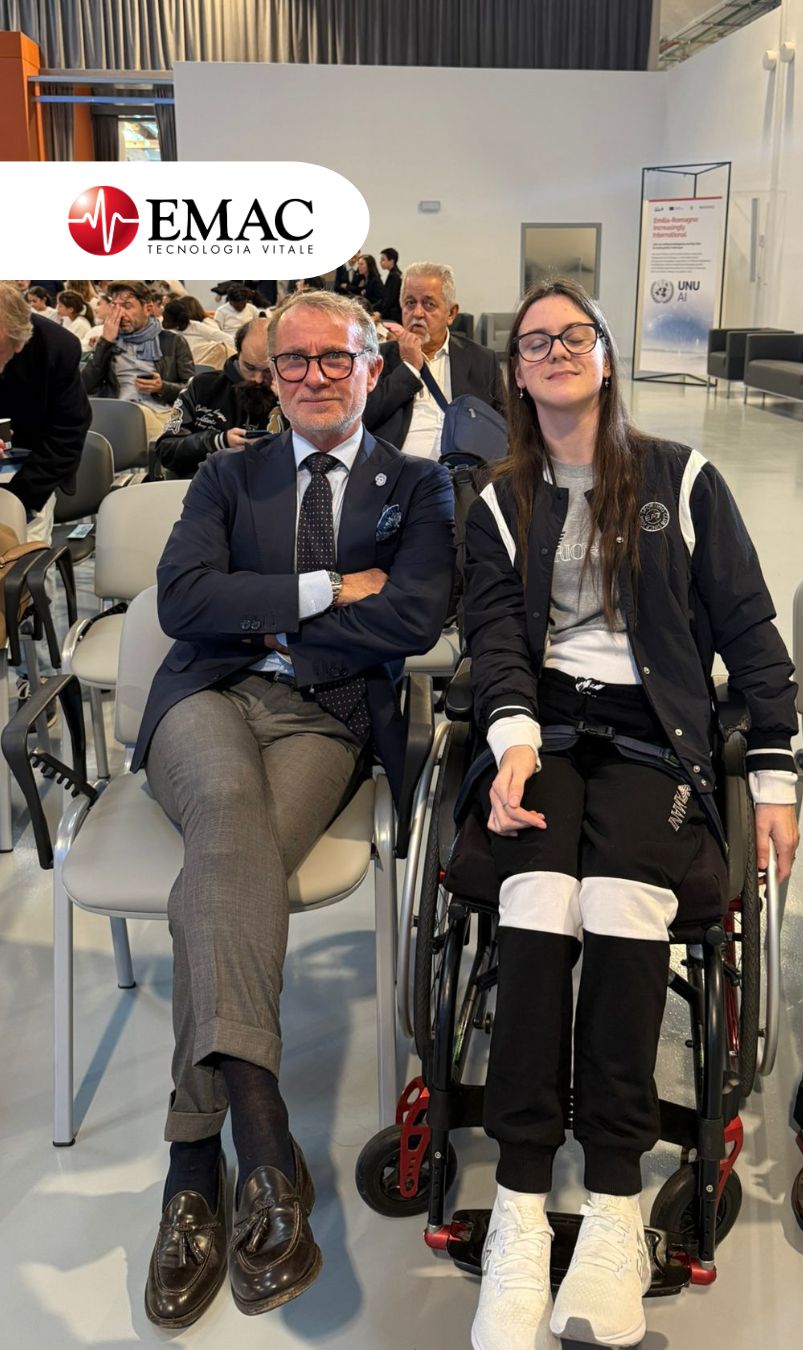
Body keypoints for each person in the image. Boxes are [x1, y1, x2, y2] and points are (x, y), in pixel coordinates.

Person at [459, 279, 799, 1350]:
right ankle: (520, 1204)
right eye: (535, 342)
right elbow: (495, 640)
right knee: (536, 895)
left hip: (656, 733)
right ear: (516, 375)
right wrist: (513, 738)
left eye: (576, 335)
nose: (557, 350)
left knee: (618, 899)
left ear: (606, 356)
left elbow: (749, 630)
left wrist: (776, 775)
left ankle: (613, 1201)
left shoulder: (681, 479)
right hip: (543, 731)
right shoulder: (497, 501)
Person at [137, 288, 455, 1328]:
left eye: (334, 358)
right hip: (206, 701)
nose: (313, 376)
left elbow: (414, 617)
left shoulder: (420, 484)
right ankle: (263, 1139)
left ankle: (195, 1161)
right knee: (229, 812)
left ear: (373, 368)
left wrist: (266, 610)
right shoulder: (228, 475)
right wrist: (326, 590)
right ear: (268, 374)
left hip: (328, 719)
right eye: (292, 361)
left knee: (219, 881)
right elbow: (185, 601)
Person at [362, 261, 504, 459]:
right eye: (410, 303)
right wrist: (409, 368)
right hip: (395, 470)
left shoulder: (482, 360)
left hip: (465, 471)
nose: (417, 313)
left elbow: (504, 425)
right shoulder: (378, 358)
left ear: (451, 313)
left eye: (429, 304)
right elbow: (362, 418)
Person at [0, 282, 91, 541]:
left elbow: (68, 432)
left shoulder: (56, 347)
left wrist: (20, 499)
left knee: (24, 554)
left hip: (31, 471)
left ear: (19, 343)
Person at [156, 317, 277, 478]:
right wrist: (217, 441)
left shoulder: (293, 394)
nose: (258, 379)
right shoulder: (202, 386)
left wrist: (287, 405)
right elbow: (166, 449)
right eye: (249, 367)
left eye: (268, 370)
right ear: (238, 353)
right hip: (203, 484)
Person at [81, 280, 195, 438]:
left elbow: (191, 392)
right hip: (117, 410)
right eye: (115, 306)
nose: (120, 314)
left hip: (159, 411)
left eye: (127, 306)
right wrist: (105, 343)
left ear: (148, 309)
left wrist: (162, 387)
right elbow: (86, 386)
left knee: (139, 419)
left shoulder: (173, 342)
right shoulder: (109, 342)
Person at [161, 297, 233, 368]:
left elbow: (227, 338)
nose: (164, 323)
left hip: (199, 363)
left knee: (220, 347)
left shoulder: (197, 327)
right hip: (176, 364)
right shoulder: (165, 330)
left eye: (168, 321)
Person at [379, 247, 402, 325]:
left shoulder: (394, 276)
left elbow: (390, 299)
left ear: (391, 261)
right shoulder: (395, 274)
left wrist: (380, 313)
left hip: (392, 316)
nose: (380, 262)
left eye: (383, 260)